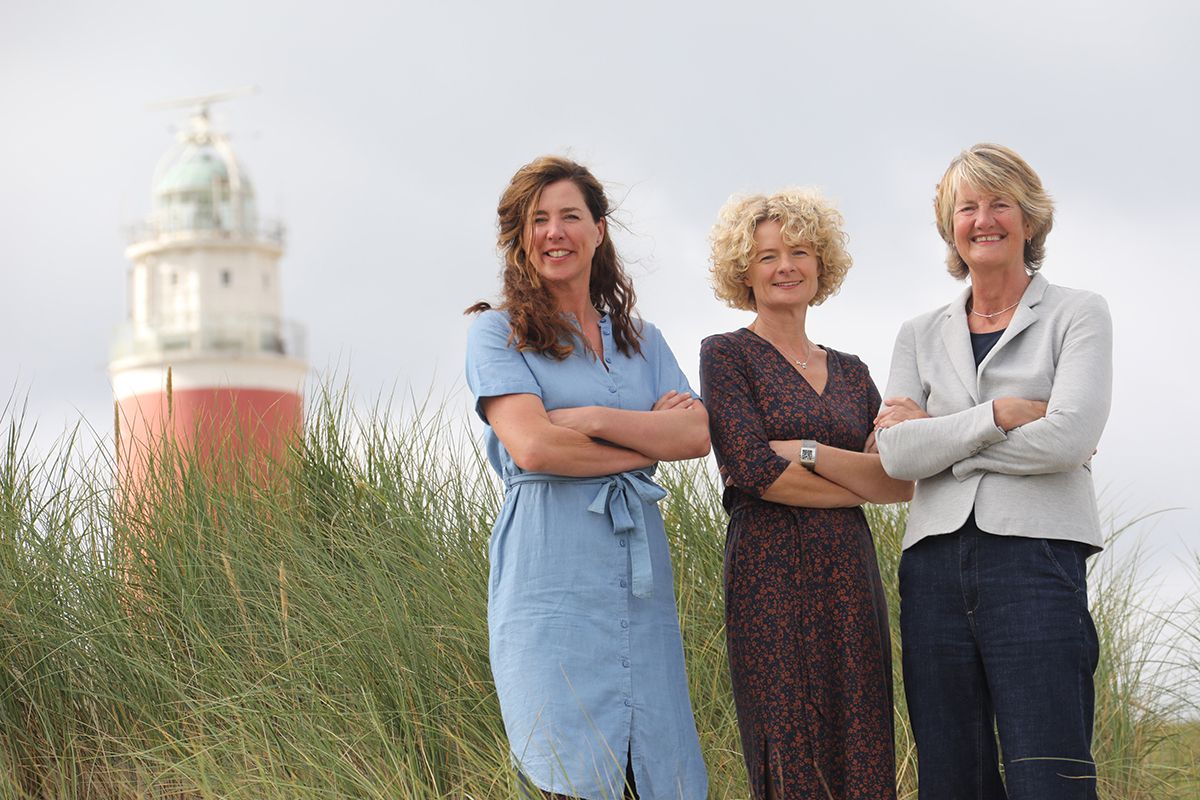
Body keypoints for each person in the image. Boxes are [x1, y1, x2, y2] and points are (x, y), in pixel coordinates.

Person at [464, 156, 710, 800]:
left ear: (599, 229)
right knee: (563, 766)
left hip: (638, 582)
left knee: (651, 766)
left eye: (570, 216)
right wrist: (642, 443)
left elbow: (696, 434)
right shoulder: (497, 334)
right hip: (550, 577)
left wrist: (597, 417)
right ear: (520, 237)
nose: (555, 232)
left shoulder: (642, 340)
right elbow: (536, 447)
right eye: (537, 220)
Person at [874, 143, 1112, 800]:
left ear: (1029, 219)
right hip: (932, 570)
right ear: (951, 226)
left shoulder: (1078, 313)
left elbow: (1069, 438)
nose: (984, 220)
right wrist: (1000, 414)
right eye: (967, 207)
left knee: (1049, 775)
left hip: (1035, 561)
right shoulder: (917, 333)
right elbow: (894, 456)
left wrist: (943, 447)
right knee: (950, 779)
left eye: (999, 204)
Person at [699, 188, 912, 800]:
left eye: (798, 252)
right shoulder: (727, 355)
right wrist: (855, 485)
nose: (784, 266)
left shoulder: (854, 371)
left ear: (822, 265)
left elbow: (897, 481)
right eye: (767, 256)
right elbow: (752, 469)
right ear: (744, 270)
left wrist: (813, 453)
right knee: (787, 739)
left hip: (849, 569)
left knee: (862, 731)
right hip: (769, 570)